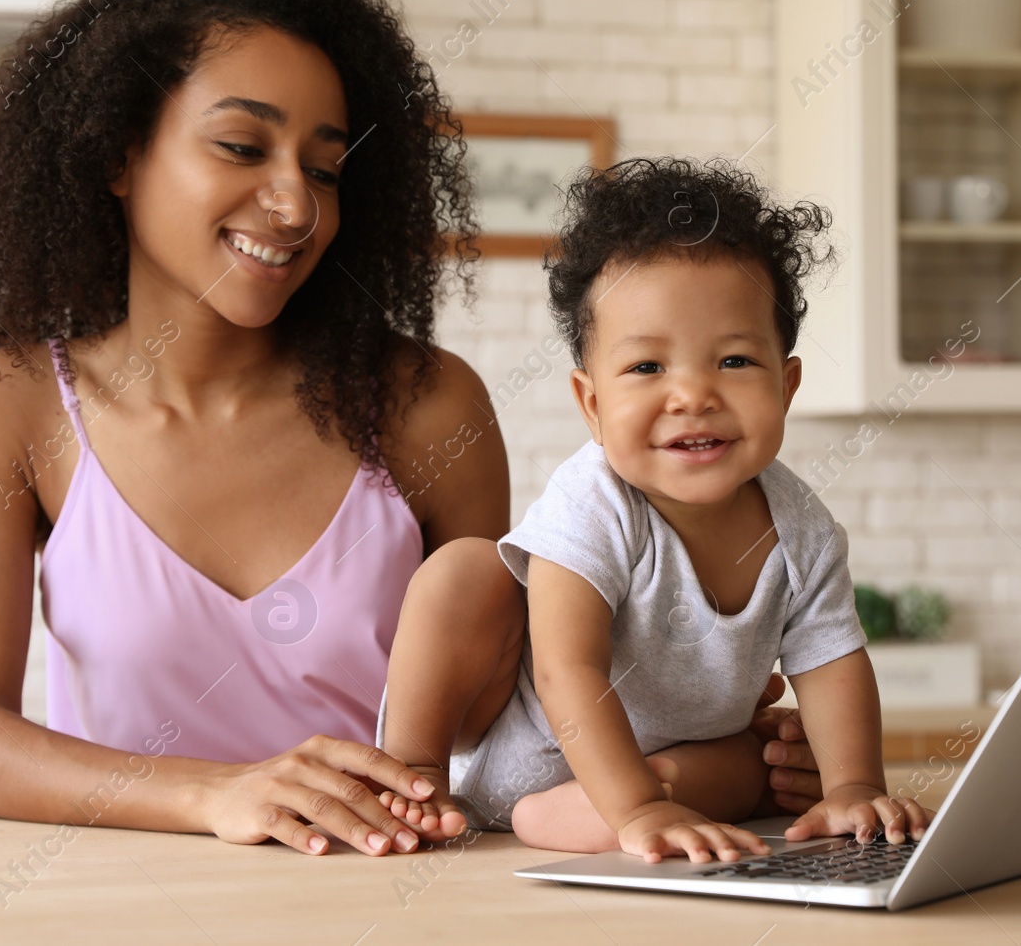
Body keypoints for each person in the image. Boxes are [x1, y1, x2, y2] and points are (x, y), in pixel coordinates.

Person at [0, 0, 828, 860]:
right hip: (130, 906)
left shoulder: (429, 406)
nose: (294, 204)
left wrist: (724, 748)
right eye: (241, 145)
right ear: (119, 151)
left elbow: (514, 714)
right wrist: (222, 793)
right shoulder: (13, 405)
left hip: (389, 897)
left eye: (324, 169)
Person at [378, 157, 935, 863]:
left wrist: (854, 785)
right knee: (464, 570)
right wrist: (635, 805)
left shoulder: (803, 526)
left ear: (786, 385)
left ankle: (581, 813)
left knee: (763, 759)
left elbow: (834, 659)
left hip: (665, 770)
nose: (693, 395)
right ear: (592, 404)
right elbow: (565, 668)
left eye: (734, 361)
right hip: (530, 751)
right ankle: (413, 774)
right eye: (647, 367)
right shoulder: (595, 501)